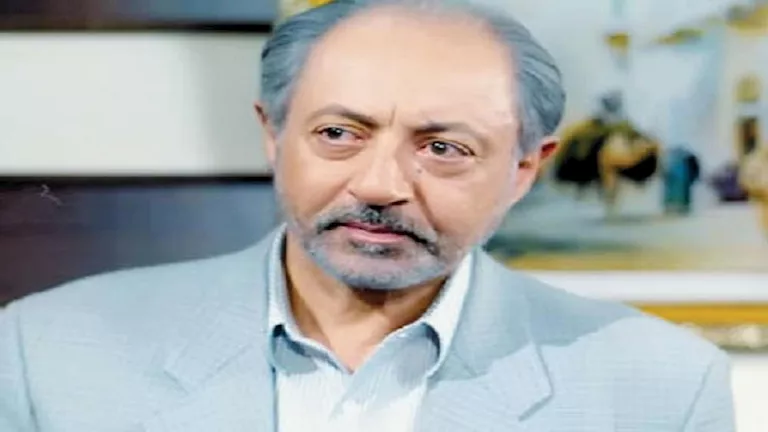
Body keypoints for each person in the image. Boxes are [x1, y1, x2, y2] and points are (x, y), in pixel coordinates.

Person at [0, 1, 735, 431]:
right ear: (272, 135)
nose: (380, 185)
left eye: (442, 148)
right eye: (338, 134)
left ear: (523, 170)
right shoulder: (49, 352)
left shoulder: (658, 387)